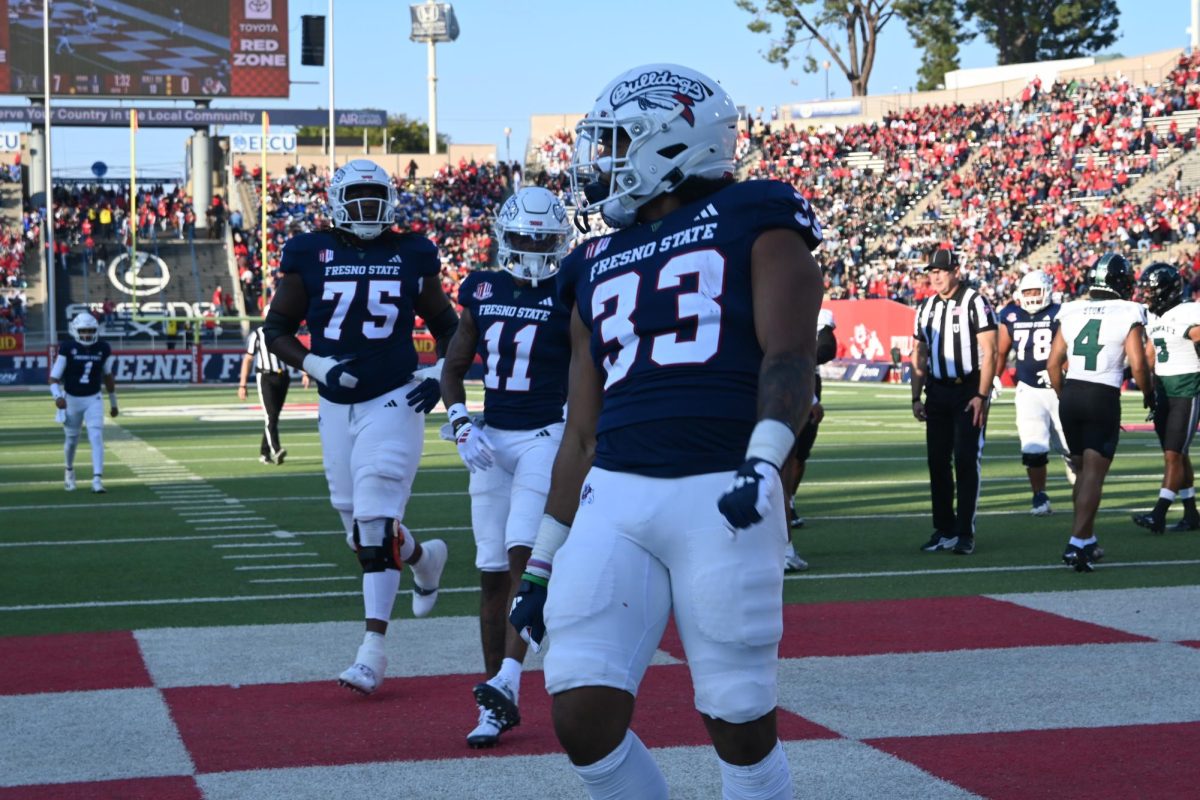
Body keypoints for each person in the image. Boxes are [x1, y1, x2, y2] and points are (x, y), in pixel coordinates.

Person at [507, 63, 823, 799]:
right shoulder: (593, 259)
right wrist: (542, 565)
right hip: (613, 495)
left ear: (672, 142)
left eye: (617, 143)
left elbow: (790, 356)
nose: (603, 163)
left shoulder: (756, 216)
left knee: (738, 720)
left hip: (721, 485)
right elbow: (580, 432)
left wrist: (764, 461)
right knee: (581, 712)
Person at [265, 158, 459, 694]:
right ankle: (425, 559)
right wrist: (316, 364)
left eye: (378, 198)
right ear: (335, 201)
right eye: (359, 198)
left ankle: (372, 650)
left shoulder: (412, 251)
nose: (369, 209)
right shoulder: (308, 251)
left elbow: (448, 326)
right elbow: (276, 327)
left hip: (395, 396)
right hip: (334, 402)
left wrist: (441, 371)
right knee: (359, 529)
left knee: (375, 522)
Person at [440, 186, 573, 748]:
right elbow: (452, 368)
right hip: (492, 439)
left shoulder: (572, 289)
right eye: (526, 237)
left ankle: (510, 680)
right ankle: (495, 696)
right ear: (504, 238)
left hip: (546, 435)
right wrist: (461, 420)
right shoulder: (483, 288)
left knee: (524, 559)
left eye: (546, 238)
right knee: (491, 572)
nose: (536, 248)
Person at [1047, 253, 1152, 572]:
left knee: (1081, 471)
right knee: (1094, 472)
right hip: (1102, 393)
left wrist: (1065, 395)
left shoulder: (1072, 308)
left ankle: (1087, 538)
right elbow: (1137, 362)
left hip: (1072, 393)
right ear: (1122, 282)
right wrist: (1149, 394)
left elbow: (1053, 364)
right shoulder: (1129, 311)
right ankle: (1077, 542)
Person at [911, 249, 998, 555]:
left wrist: (982, 395)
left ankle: (964, 531)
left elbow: (991, 351)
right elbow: (919, 353)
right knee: (937, 461)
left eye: (941, 271)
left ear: (955, 271)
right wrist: (916, 396)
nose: (935, 276)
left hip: (968, 389)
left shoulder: (975, 301)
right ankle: (944, 528)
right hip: (937, 390)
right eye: (931, 271)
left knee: (964, 458)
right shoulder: (926, 307)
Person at [993, 269, 1075, 516]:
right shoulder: (1011, 314)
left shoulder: (1061, 313)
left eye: (1035, 291)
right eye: (1027, 291)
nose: (1031, 297)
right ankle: (1039, 496)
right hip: (1028, 389)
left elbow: (1069, 350)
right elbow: (1001, 351)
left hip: (1059, 388)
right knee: (1033, 447)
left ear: (1047, 291)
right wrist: (995, 377)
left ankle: (1081, 490)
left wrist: (1066, 374)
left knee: (1072, 448)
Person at [1132, 263, 1200, 533]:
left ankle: (1158, 513)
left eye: (1151, 290)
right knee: (1176, 454)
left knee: (1173, 453)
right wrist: (1148, 389)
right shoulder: (1156, 316)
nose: (1147, 295)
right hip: (1163, 389)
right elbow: (1149, 355)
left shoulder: (1188, 311)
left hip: (1186, 387)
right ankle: (1191, 513)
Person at [781, 307, 838, 573]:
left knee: (797, 455)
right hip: (780, 380)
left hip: (797, 378)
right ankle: (782, 546)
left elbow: (827, 346)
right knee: (779, 463)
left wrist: (802, 358)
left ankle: (789, 502)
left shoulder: (814, 310)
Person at [50, 312, 118, 494]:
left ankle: (97, 479)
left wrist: (113, 403)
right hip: (71, 398)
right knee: (71, 440)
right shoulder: (67, 347)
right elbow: (54, 378)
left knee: (96, 437)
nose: (87, 334)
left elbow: (108, 376)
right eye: (83, 330)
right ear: (75, 330)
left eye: (90, 330)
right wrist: (58, 397)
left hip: (93, 398)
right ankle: (69, 471)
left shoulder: (103, 348)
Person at [239, 313, 309, 465]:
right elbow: (248, 358)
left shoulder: (285, 332)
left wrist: (304, 373)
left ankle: (264, 453)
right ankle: (276, 450)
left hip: (283, 376)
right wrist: (242, 384)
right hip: (265, 377)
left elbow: (294, 352)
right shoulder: (257, 334)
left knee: (274, 416)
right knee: (271, 415)